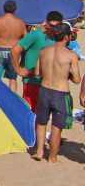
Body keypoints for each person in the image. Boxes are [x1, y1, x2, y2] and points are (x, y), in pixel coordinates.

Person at [32, 23, 80, 163]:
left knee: (41, 123)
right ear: (66, 37)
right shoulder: (71, 56)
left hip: (44, 90)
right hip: (61, 93)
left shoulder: (43, 51)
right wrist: (67, 74)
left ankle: (39, 151)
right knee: (57, 127)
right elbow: (77, 79)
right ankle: (52, 157)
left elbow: (37, 73)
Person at [11, 11, 64, 112]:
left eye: (57, 26)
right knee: (30, 113)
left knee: (43, 115)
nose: (53, 28)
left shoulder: (59, 39)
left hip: (50, 83)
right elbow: (15, 50)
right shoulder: (36, 35)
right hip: (32, 82)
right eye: (51, 25)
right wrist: (18, 69)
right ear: (46, 23)